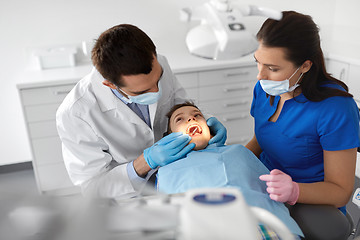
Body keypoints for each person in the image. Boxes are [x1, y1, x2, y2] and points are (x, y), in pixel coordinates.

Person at [56, 24, 226, 199]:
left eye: (158, 80)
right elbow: (93, 187)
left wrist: (206, 120)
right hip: (130, 197)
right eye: (141, 92)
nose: (156, 92)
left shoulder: (159, 64)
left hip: (178, 175)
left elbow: (180, 105)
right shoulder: (76, 114)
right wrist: (145, 163)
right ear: (110, 84)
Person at [246, 11, 360, 239]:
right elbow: (262, 138)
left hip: (311, 198)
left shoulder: (335, 108)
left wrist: (294, 190)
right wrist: (231, 157)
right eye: (258, 63)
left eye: (273, 68)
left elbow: (339, 191)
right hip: (266, 184)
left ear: (305, 66)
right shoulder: (265, 89)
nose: (260, 76)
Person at [156, 102, 303, 237]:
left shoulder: (238, 152)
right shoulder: (166, 170)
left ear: (210, 128)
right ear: (170, 137)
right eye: (179, 119)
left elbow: (267, 190)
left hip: (260, 225)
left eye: (197, 115)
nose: (191, 119)